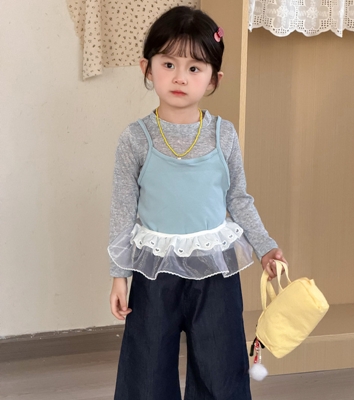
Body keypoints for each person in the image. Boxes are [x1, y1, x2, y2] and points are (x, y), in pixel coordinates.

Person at [108, 6, 287, 400]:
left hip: (214, 269)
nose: (180, 77)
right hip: (155, 271)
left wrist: (265, 247)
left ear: (214, 79)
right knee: (147, 367)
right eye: (168, 64)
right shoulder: (135, 138)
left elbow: (238, 198)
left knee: (221, 365)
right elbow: (122, 210)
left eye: (194, 68)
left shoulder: (224, 135)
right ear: (147, 68)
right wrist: (119, 275)